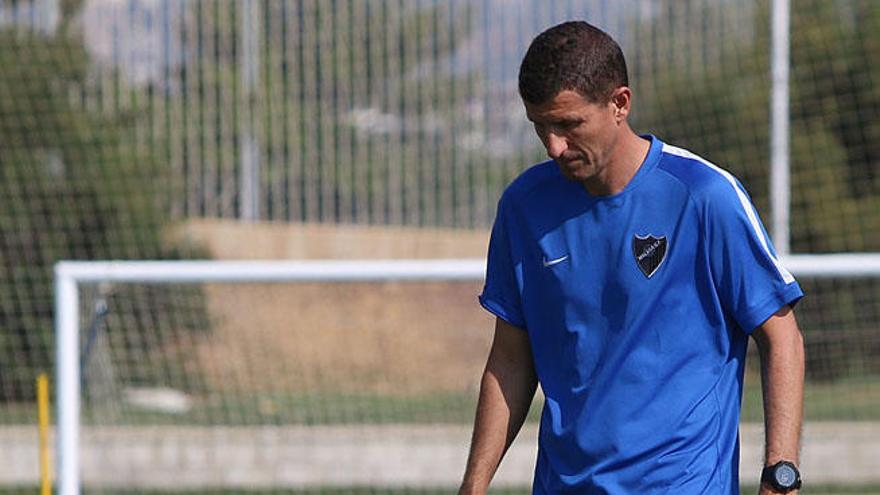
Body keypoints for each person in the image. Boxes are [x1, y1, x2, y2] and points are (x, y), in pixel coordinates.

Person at [459, 21, 805, 494]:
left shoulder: (703, 196)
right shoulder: (524, 207)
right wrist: (474, 486)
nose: (554, 146)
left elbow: (781, 333)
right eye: (540, 126)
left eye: (568, 124)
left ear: (620, 103)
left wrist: (780, 476)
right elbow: (511, 361)